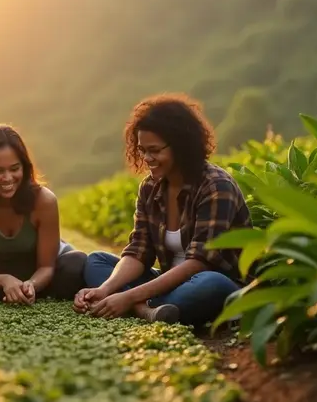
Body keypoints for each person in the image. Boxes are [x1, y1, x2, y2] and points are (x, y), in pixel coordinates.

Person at [74, 94, 251, 326]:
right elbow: (139, 251)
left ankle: (139, 306)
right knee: (97, 261)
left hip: (211, 282)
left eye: (155, 150)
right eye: (142, 150)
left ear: (181, 146)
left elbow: (199, 262)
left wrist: (128, 296)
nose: (147, 158)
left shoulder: (216, 186)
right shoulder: (150, 188)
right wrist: (105, 288)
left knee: (209, 284)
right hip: (168, 284)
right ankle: (149, 311)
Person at [0, 124, 87, 305]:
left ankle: (24, 293)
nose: (7, 178)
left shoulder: (44, 201)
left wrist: (31, 285)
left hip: (45, 274)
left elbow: (46, 267)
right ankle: (13, 292)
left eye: (14, 169)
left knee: (75, 265)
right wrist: (4, 280)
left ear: (24, 167)